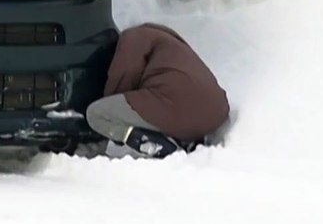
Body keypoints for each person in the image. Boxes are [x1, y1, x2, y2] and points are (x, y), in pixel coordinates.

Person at [86, 23, 231, 158]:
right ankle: (185, 138)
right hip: (216, 112)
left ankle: (149, 142)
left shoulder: (131, 38)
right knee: (162, 101)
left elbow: (124, 76)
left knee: (96, 113)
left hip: (179, 109)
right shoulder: (164, 38)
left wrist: (112, 116)